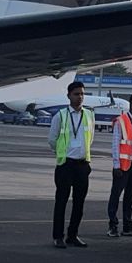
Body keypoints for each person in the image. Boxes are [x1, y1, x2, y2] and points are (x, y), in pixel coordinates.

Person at [47, 81, 93, 248]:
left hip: (82, 164)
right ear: (69, 96)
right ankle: (58, 236)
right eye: (76, 94)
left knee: (79, 203)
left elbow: (90, 138)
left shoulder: (89, 115)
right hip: (66, 164)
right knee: (61, 202)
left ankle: (73, 235)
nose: (80, 97)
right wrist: (63, 153)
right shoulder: (60, 115)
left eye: (82, 94)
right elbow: (52, 140)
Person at [105, 92, 132, 238]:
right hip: (123, 164)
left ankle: (127, 226)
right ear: (131, 104)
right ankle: (113, 225)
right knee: (116, 195)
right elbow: (115, 144)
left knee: (130, 196)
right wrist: (116, 165)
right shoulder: (121, 121)